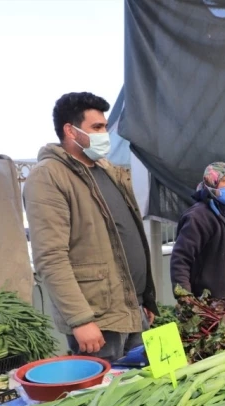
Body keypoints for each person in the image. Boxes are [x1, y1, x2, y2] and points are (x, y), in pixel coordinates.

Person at [24, 92, 157, 362]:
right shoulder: (49, 175)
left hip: (131, 308)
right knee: (105, 397)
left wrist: (145, 299)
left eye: (105, 127)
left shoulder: (107, 170)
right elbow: (50, 256)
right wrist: (80, 319)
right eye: (96, 128)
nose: (104, 134)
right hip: (98, 318)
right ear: (70, 131)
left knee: (140, 391)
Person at [170, 162, 225, 303]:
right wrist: (184, 294)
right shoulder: (198, 216)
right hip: (214, 294)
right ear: (212, 182)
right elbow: (181, 257)